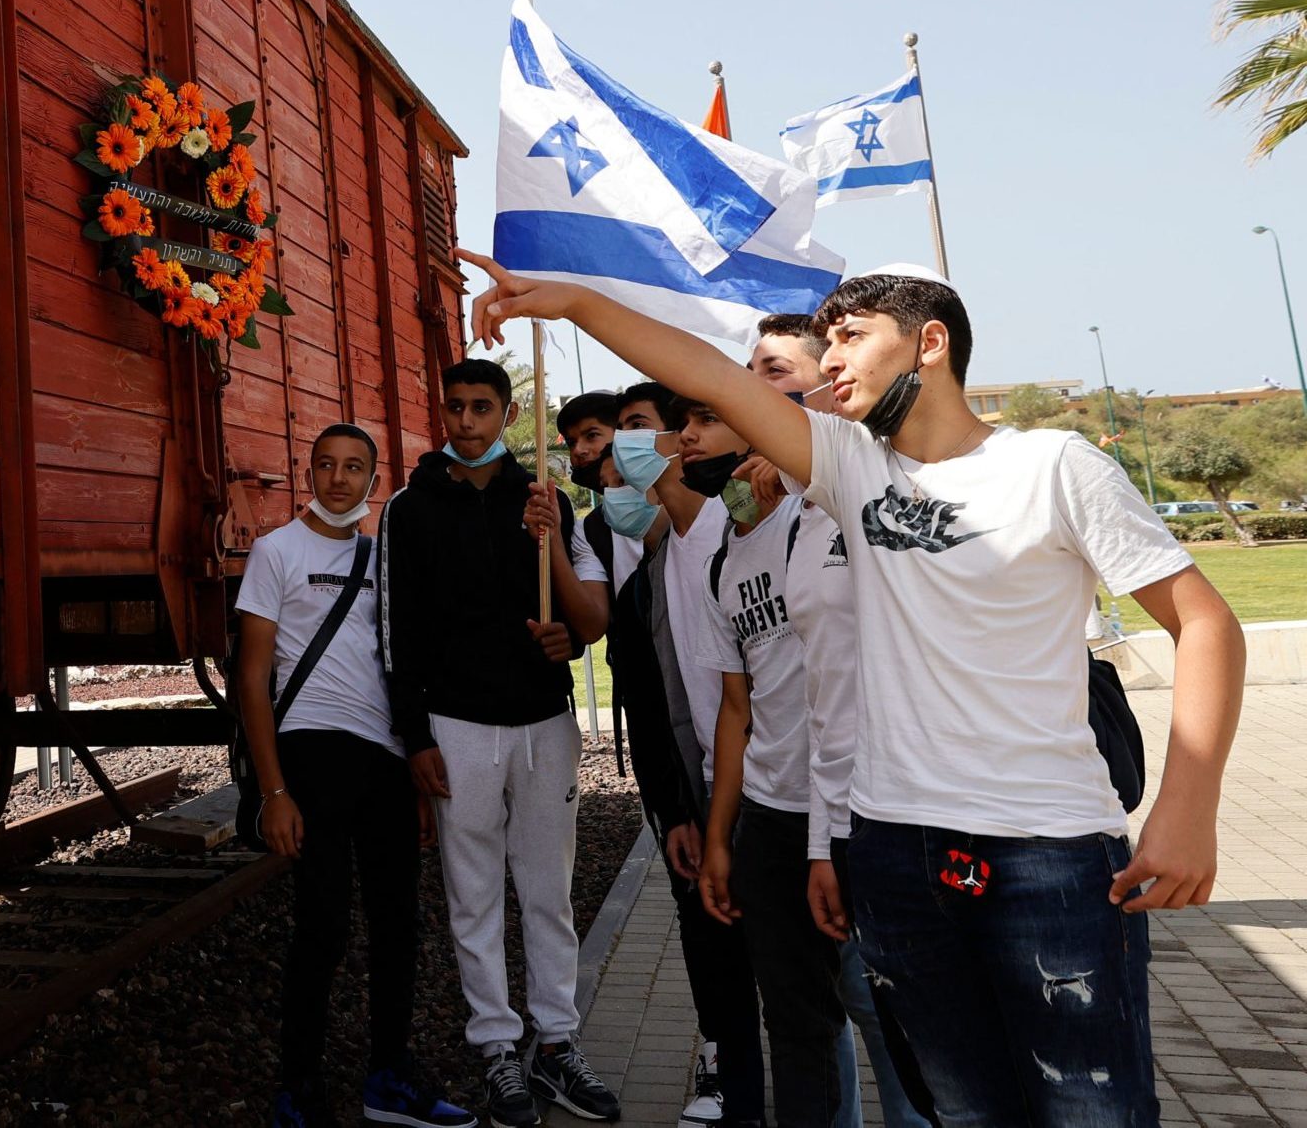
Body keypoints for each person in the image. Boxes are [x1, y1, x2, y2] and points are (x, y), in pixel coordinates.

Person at [455, 251, 1246, 1128]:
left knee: (1089, 1112)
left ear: (930, 342)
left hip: (1049, 853)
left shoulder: (1054, 465)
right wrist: (574, 299)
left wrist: (1187, 810)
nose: (830, 358)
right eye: (824, 340)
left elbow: (1205, 623)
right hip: (895, 851)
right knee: (963, 1111)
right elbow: (710, 374)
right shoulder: (846, 464)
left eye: (852, 336)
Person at [700, 315, 933, 1128]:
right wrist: (723, 833)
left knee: (894, 1021)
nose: (750, 391)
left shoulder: (869, 502)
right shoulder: (741, 548)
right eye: (748, 374)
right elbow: (741, 707)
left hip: (868, 810)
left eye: (773, 371)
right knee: (798, 1024)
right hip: (775, 815)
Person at [381, 361, 620, 1127]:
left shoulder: (547, 501)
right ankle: (496, 1047)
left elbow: (582, 623)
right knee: (473, 894)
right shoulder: (409, 508)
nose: (467, 421)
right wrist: (414, 735)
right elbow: (398, 632)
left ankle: (555, 1044)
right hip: (454, 722)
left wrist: (565, 645)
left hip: (543, 722)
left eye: (482, 407)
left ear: (509, 410)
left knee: (549, 891)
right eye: (454, 407)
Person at [237, 423, 477, 1128]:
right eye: (326, 465)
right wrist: (274, 790)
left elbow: (405, 666)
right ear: (308, 472)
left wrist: (413, 771)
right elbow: (253, 676)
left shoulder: (383, 557)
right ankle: (298, 1085)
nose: (339, 478)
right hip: (309, 748)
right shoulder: (275, 551)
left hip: (382, 754)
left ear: (375, 481)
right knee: (322, 922)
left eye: (354, 468)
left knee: (399, 920)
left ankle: (388, 1075)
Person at [560, 387, 763, 1128]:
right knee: (715, 947)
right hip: (689, 784)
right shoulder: (645, 559)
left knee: (819, 987)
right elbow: (653, 701)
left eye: (622, 446)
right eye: (603, 467)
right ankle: (730, 1077)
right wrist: (676, 810)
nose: (608, 471)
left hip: (762, 791)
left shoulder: (735, 534)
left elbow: (747, 694)